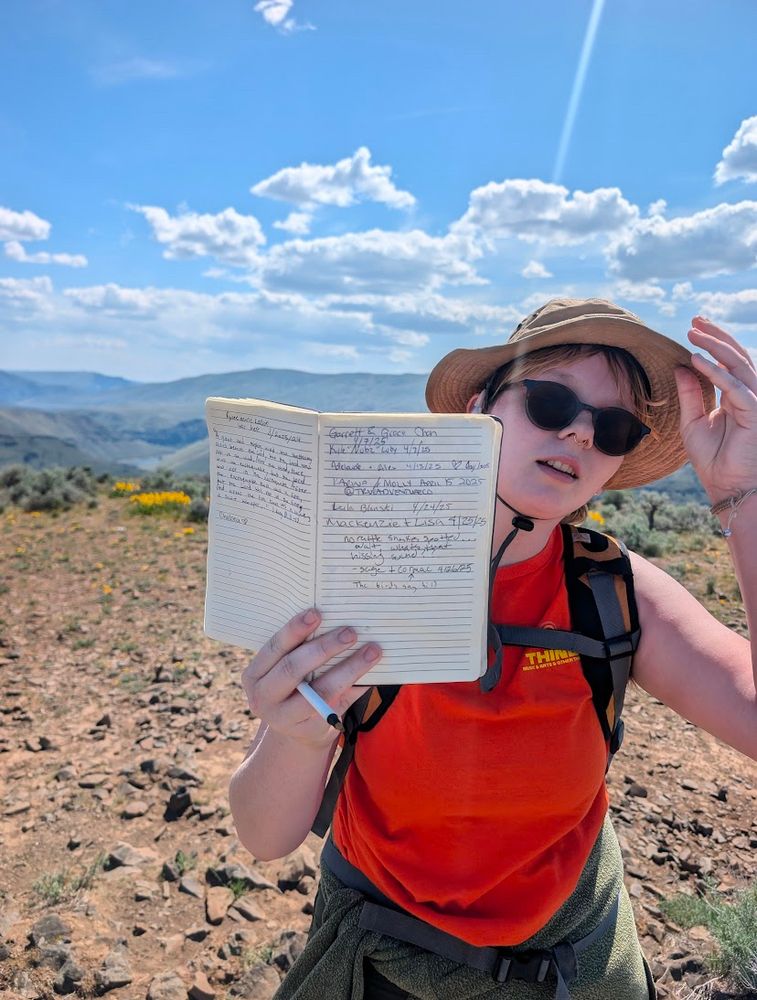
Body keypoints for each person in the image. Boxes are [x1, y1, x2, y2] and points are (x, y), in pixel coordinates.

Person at [229, 299, 757, 1000]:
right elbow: (265, 837)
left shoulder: (614, 591)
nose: (579, 430)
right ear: (481, 408)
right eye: (549, 402)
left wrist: (742, 495)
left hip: (575, 951)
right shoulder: (365, 571)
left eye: (613, 427)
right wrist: (295, 737)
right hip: (389, 949)